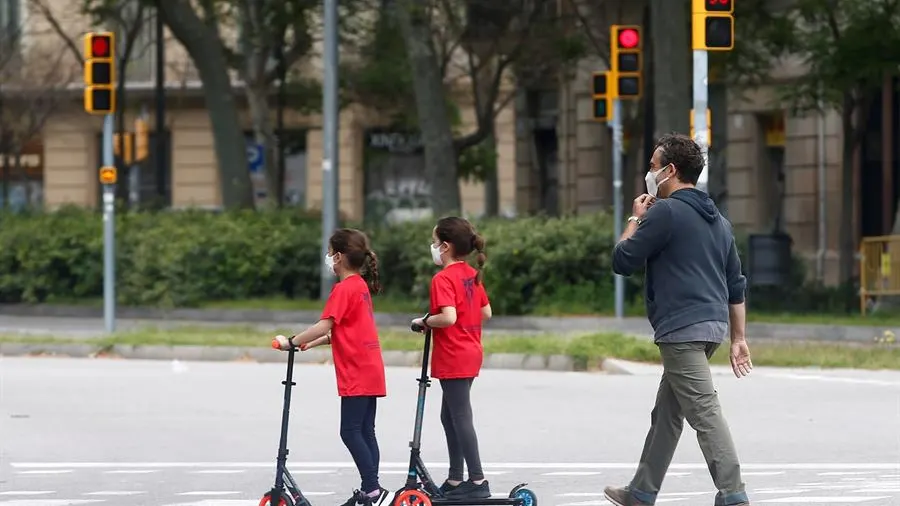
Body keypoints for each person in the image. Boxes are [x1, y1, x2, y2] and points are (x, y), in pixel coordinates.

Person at [603, 134, 753, 506]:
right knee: (668, 413)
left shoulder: (665, 212)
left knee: (703, 410)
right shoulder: (719, 221)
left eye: (653, 167)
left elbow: (623, 260)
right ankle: (641, 491)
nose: (649, 173)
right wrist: (738, 338)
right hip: (712, 329)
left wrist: (635, 218)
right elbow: (736, 285)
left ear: (670, 171)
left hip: (681, 329)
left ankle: (733, 494)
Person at [273, 228, 388, 506]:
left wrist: (291, 341)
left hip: (357, 370)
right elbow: (344, 329)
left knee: (350, 431)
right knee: (365, 430)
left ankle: (373, 489)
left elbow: (326, 323)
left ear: (338, 256)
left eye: (329, 253)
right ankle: (372, 488)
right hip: (370, 366)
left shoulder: (343, 288)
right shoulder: (360, 285)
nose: (327, 258)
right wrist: (314, 344)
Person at [411, 216, 493, 500]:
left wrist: (425, 321)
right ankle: (456, 478)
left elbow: (448, 317)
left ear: (445, 246)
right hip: (471, 351)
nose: (433, 247)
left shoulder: (443, 278)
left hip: (454, 354)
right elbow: (485, 313)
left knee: (460, 416)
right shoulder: (472, 274)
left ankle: (478, 480)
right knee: (450, 416)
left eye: (435, 242)